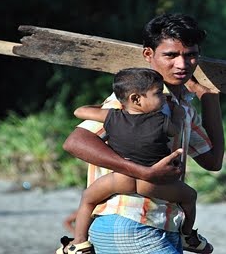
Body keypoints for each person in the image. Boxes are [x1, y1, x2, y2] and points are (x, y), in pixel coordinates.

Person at [61, 13, 225, 254]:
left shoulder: (184, 108)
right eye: (171, 55)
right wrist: (143, 172)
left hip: (162, 226)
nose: (182, 65)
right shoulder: (137, 99)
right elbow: (76, 141)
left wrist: (210, 99)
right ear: (149, 54)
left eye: (190, 55)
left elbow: (213, 160)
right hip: (131, 221)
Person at [58, 67, 209, 254]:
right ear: (136, 99)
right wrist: (177, 116)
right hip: (152, 183)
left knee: (88, 199)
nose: (163, 98)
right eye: (158, 94)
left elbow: (79, 111)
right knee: (190, 196)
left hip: (118, 178)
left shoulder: (112, 116)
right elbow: (176, 131)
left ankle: (78, 242)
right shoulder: (161, 121)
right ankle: (187, 235)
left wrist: (106, 107)